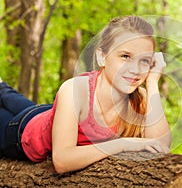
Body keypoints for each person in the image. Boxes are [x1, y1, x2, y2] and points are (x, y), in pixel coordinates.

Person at [0, 16, 171, 174]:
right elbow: (62, 161)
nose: (135, 69)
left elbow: (160, 146)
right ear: (102, 56)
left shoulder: (140, 97)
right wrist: (123, 144)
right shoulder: (74, 90)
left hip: (50, 114)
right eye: (125, 56)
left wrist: (153, 82)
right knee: (8, 104)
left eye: (144, 61)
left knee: (12, 98)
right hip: (23, 132)